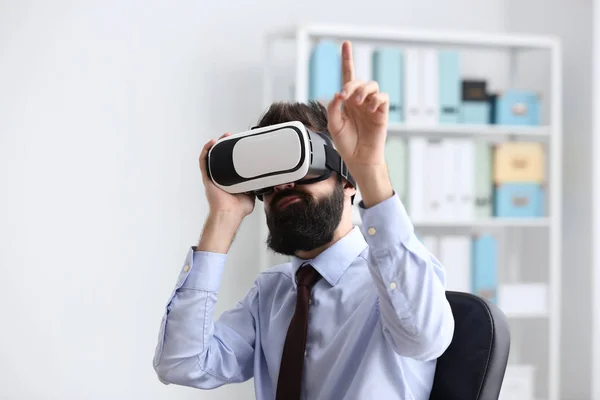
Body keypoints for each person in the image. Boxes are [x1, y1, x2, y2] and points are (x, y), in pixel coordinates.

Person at [153, 41, 455, 400]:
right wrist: (222, 217)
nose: (283, 183)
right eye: (268, 176)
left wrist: (370, 168)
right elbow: (182, 364)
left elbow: (425, 338)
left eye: (301, 163)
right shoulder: (273, 293)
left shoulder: (392, 284)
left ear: (346, 179)